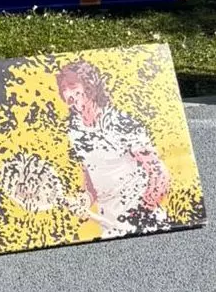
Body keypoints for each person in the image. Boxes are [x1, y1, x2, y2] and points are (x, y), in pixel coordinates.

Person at [56, 60, 170, 238]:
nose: (68, 93)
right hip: (110, 228)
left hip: (147, 224)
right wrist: (82, 201)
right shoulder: (75, 132)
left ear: (90, 86)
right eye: (64, 88)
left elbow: (158, 173)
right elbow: (91, 185)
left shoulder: (120, 123)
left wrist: (141, 213)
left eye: (72, 85)